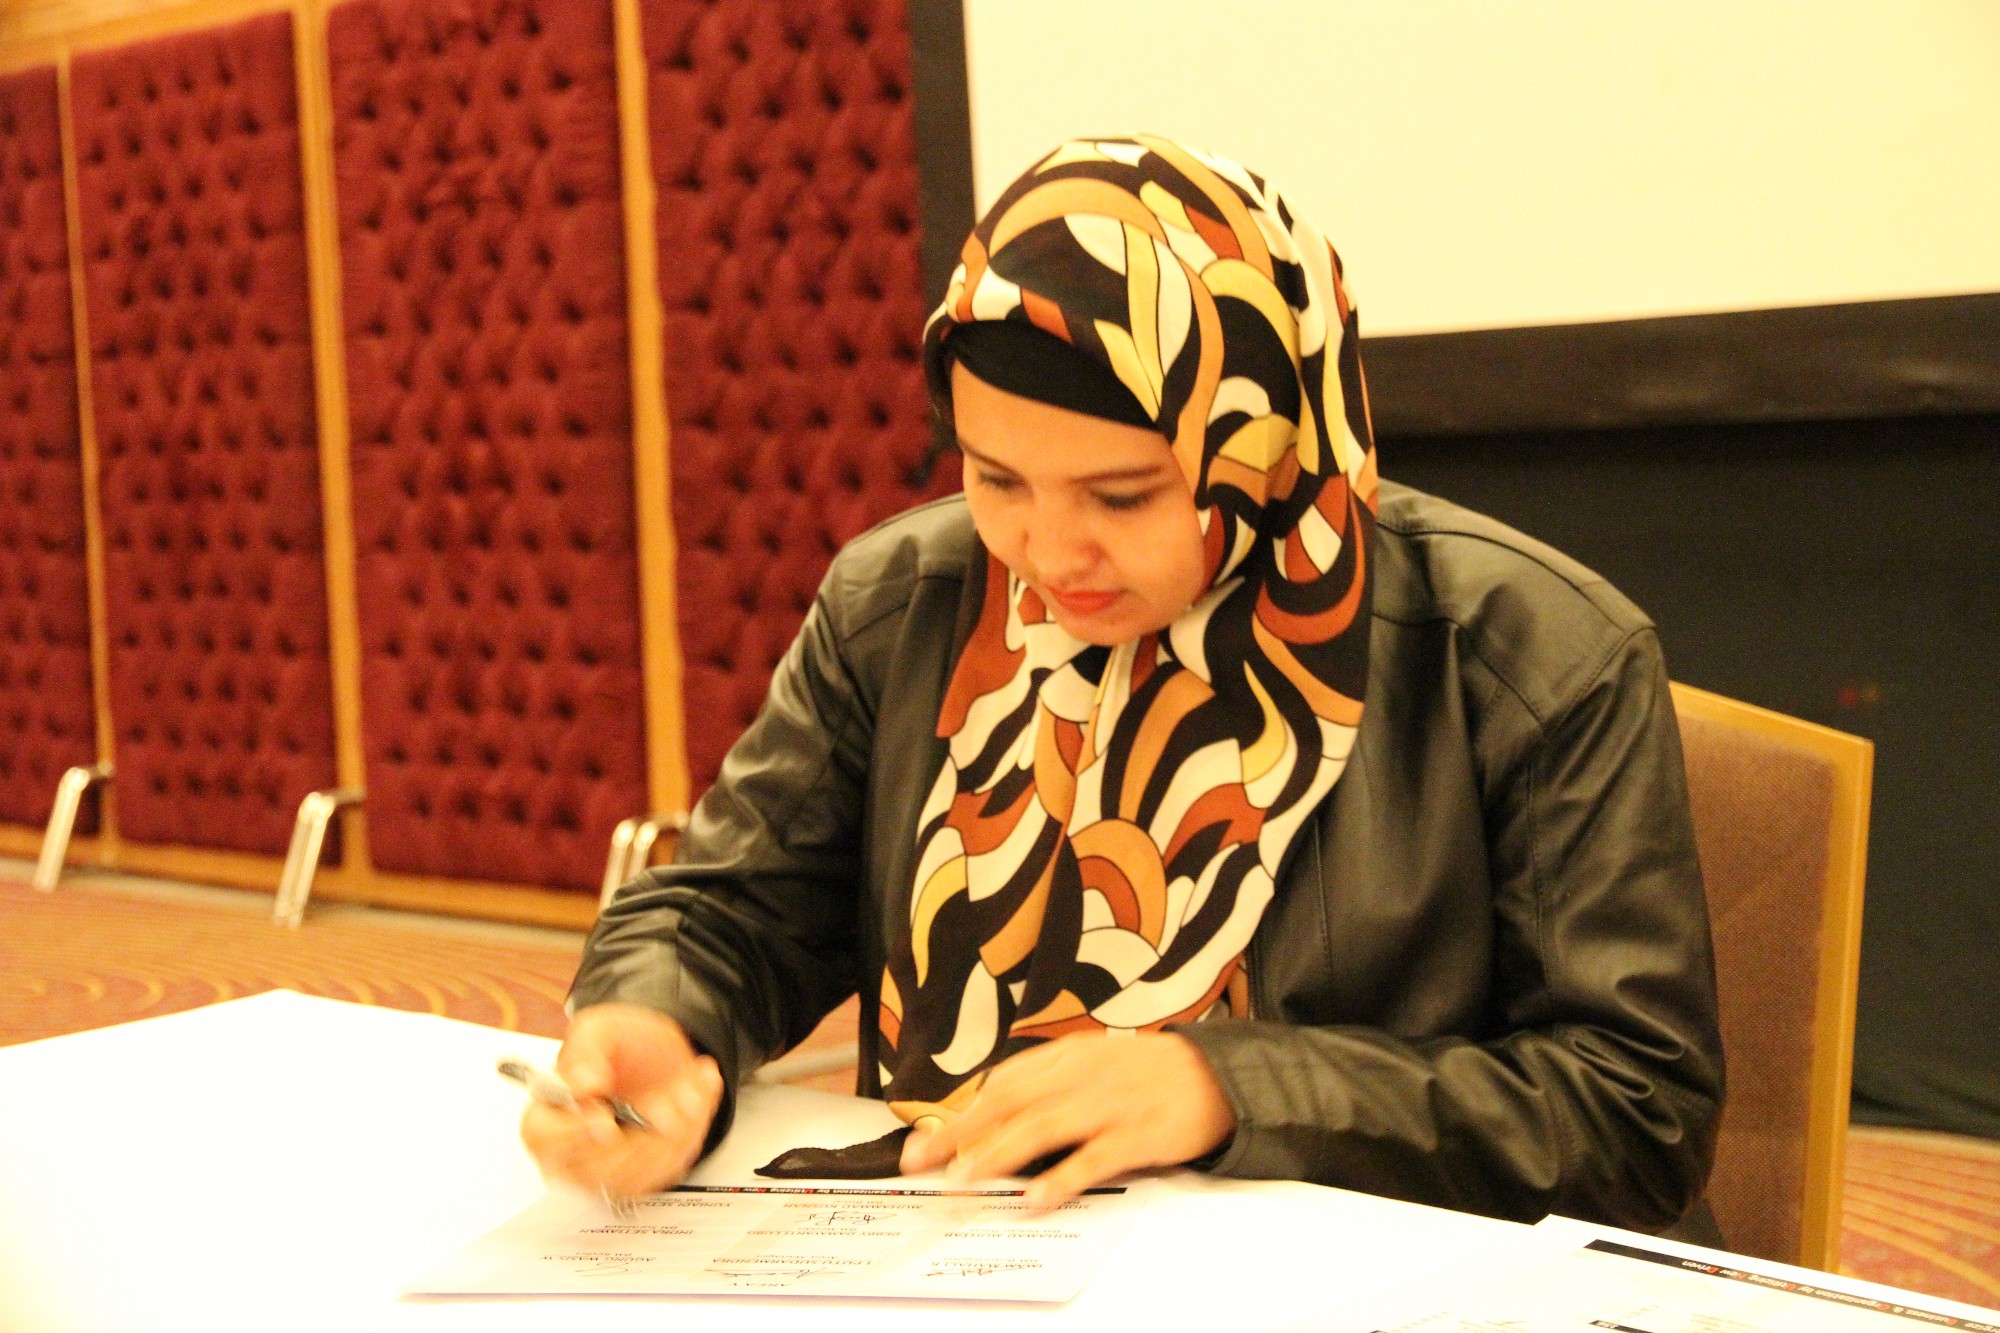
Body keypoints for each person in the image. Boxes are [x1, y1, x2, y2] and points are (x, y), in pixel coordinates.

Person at [523, 133, 1724, 1234]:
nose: (1047, 556)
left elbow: (1632, 1112)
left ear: (1253, 438)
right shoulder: (900, 602)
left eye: (1121, 495)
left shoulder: (1526, 654)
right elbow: (733, 908)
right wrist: (657, 1017)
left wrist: (1224, 1083)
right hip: (981, 1254)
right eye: (995, 479)